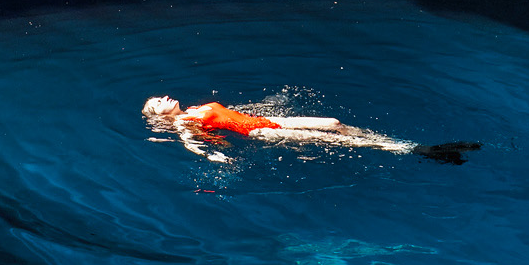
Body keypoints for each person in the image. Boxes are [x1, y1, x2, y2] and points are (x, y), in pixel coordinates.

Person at [141, 95, 479, 165]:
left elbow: (233, 114)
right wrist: (213, 157)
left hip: (269, 123)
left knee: (334, 125)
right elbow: (189, 143)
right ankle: (420, 150)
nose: (163, 97)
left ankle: (405, 145)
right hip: (264, 134)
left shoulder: (196, 107)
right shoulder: (185, 121)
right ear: (162, 115)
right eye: (158, 102)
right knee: (329, 140)